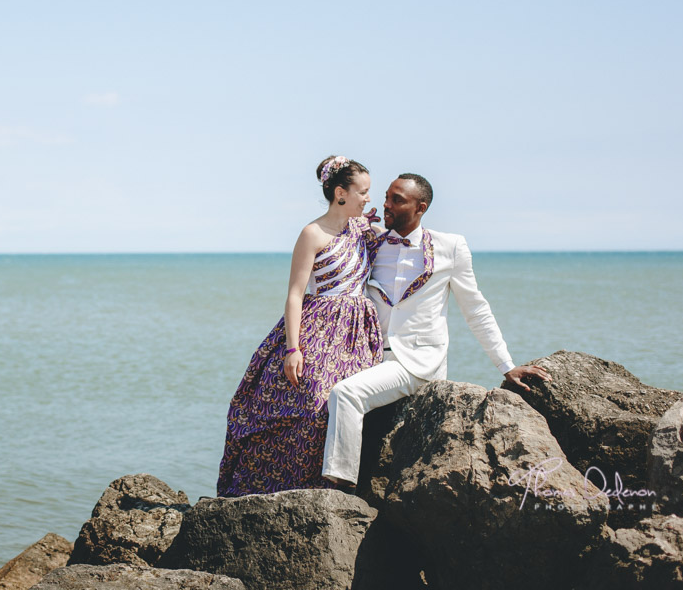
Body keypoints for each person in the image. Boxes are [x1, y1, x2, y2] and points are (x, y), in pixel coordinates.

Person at [321, 173, 553, 492]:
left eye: (397, 200)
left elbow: (475, 308)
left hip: (416, 362)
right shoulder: (370, 240)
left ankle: (340, 487)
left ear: (421, 207)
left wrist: (506, 365)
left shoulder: (450, 247)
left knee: (345, 393)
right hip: (367, 356)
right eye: (386, 196)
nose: (386, 204)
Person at [217, 155, 385, 497]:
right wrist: (293, 349)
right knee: (309, 405)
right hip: (319, 328)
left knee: (346, 409)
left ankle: (333, 489)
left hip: (357, 332)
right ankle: (281, 491)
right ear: (340, 193)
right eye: (363, 192)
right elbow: (295, 295)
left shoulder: (362, 229)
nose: (369, 198)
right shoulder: (312, 233)